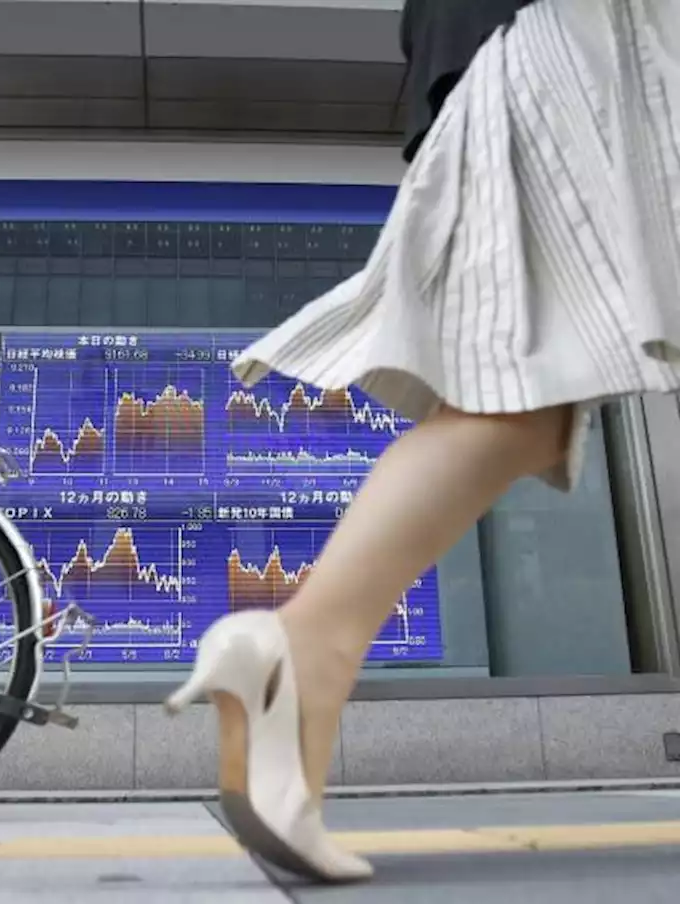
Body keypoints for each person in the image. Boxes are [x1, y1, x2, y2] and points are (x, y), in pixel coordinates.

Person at [165, 0, 680, 885]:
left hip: (513, 53)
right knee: (518, 397)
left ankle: (305, 650)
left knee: (521, 406)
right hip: (597, 50)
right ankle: (308, 645)